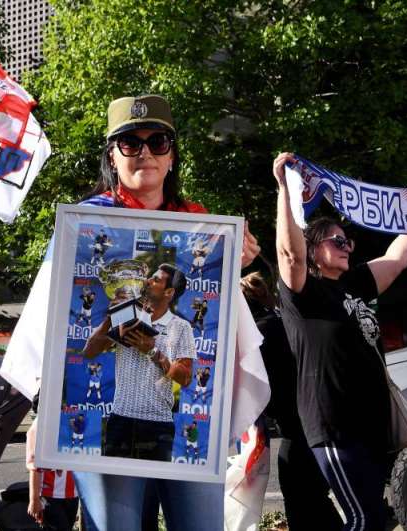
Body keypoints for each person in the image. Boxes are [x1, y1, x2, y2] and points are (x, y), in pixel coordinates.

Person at [68, 94, 261, 531]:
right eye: (130, 143)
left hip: (173, 424)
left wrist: (234, 262)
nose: (145, 153)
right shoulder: (83, 223)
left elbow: (196, 363)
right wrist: (112, 322)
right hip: (116, 421)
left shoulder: (205, 225)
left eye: (157, 142)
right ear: (112, 156)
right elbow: (80, 346)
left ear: (172, 156)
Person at [273, 152, 407, 531]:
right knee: (364, 519)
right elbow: (289, 254)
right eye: (337, 240)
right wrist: (284, 190)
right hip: (334, 426)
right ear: (314, 250)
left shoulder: (355, 284)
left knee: (375, 518)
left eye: (348, 241)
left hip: (370, 426)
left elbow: (397, 258)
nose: (347, 246)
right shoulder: (304, 293)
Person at [240, 271, 342, 531]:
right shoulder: (283, 321)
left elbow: (259, 391)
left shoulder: (259, 335)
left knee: (300, 499)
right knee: (314, 498)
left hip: (297, 427)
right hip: (317, 420)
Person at [83, 263, 195, 461]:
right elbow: (89, 351)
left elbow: (185, 378)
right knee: (115, 481)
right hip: (120, 419)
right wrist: (112, 316)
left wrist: (153, 352)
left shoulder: (181, 327)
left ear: (169, 292)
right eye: (150, 277)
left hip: (157, 425)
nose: (148, 281)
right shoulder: (127, 314)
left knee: (151, 483)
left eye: (156, 280)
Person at [27, 394, 79, 531]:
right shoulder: (39, 425)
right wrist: (34, 499)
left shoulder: (70, 418)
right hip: (49, 495)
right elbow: (34, 466)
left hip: (72, 493)